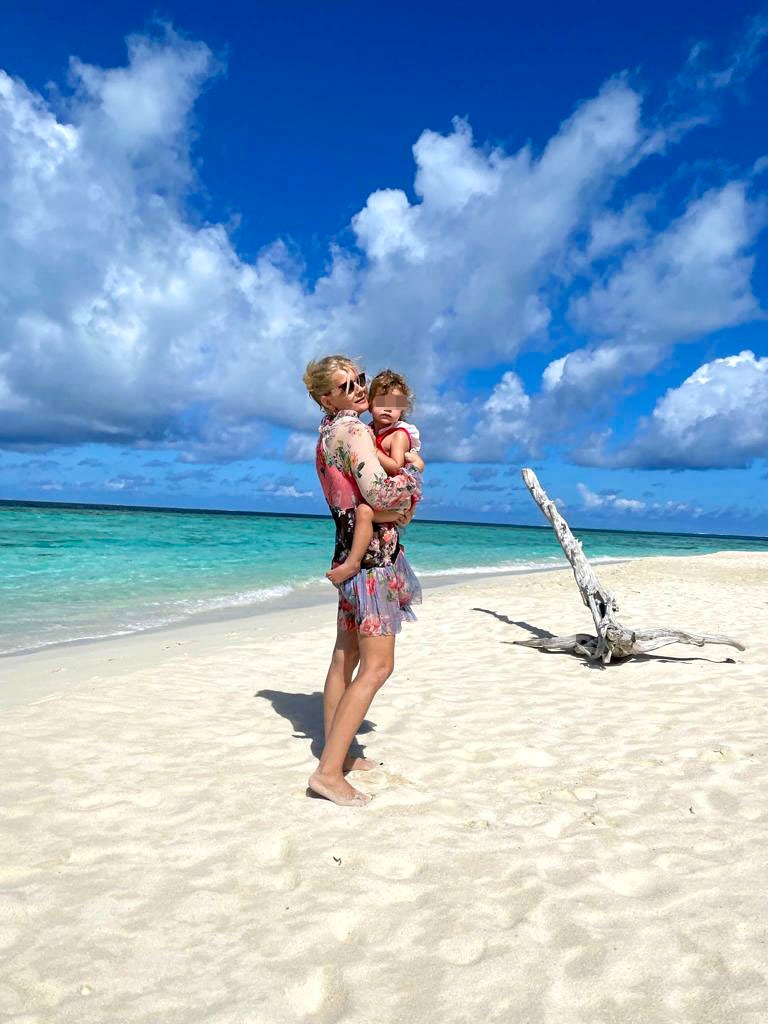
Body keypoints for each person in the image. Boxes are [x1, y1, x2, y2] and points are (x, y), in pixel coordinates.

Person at [302, 355, 424, 806]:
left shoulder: (325, 435)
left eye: (360, 380)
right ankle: (328, 772)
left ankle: (339, 753)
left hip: (347, 551)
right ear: (325, 398)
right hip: (372, 562)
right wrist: (410, 490)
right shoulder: (354, 431)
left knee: (346, 656)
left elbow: (350, 500)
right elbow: (379, 493)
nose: (357, 390)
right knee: (377, 666)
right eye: (346, 386)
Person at [326, 368, 421, 587]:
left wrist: (373, 450)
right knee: (363, 512)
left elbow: (396, 466)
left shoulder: (398, 436)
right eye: (382, 401)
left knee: (364, 512)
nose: (388, 408)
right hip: (388, 499)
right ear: (369, 403)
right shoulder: (367, 429)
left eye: (395, 404)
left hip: (400, 501)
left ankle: (353, 563)